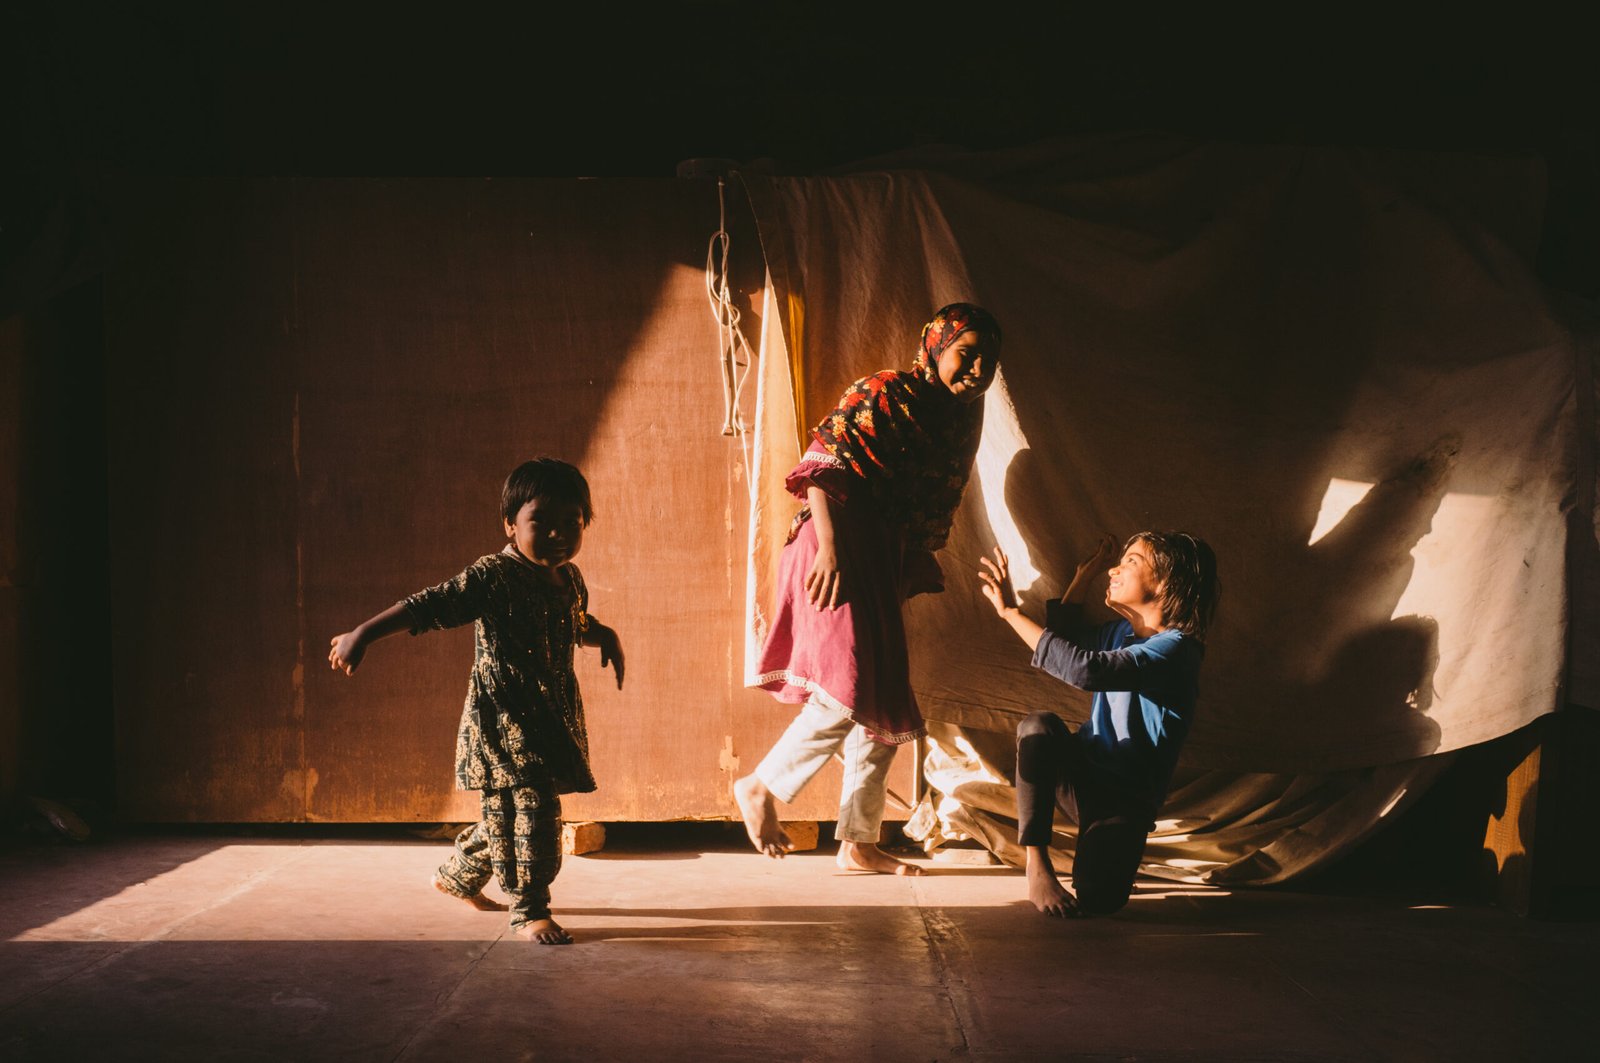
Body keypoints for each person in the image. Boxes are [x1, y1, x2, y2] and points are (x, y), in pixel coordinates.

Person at [736, 303, 1002, 875]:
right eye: (967, 353)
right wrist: (831, 549)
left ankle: (858, 843)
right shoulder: (886, 391)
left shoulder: (957, 421)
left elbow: (924, 507)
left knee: (881, 698)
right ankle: (761, 785)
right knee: (850, 685)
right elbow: (821, 465)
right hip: (831, 544)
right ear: (936, 346)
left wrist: (897, 576)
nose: (978, 368)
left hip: (880, 557)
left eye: (989, 359)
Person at [328, 458, 624, 944]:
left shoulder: (570, 578)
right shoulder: (494, 576)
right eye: (541, 522)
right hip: (504, 722)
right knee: (535, 815)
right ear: (511, 524)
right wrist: (362, 634)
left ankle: (457, 877)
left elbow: (571, 624)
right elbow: (429, 604)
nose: (558, 534)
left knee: (510, 816)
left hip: (551, 718)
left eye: (571, 522)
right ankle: (529, 909)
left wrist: (603, 635)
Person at [978, 531, 1218, 917]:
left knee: (1099, 900)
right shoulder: (1118, 633)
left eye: (1131, 562)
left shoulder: (1177, 649)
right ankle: (1037, 866)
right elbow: (1063, 639)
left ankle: (1112, 854)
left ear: (1166, 582)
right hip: (1081, 775)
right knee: (1038, 727)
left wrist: (1010, 613)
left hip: (1125, 798)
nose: (1114, 570)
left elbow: (1084, 670)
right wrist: (1082, 576)